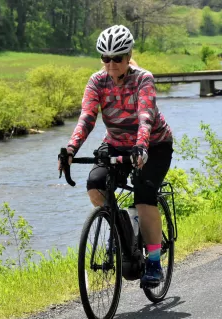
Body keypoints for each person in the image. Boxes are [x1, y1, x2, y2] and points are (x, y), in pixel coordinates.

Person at [59, 25, 173, 288]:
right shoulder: (97, 81)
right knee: (96, 186)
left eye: (117, 58)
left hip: (153, 145)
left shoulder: (143, 79)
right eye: (105, 58)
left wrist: (141, 146)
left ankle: (154, 262)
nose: (111, 64)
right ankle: (124, 229)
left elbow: (146, 116)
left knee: (144, 196)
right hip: (116, 144)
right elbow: (87, 118)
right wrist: (70, 150)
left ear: (128, 55)